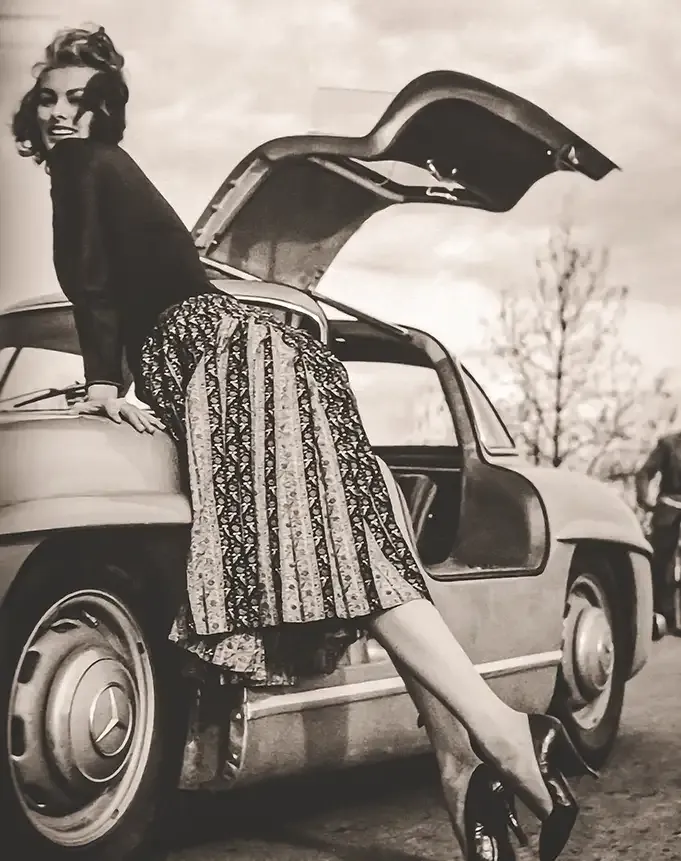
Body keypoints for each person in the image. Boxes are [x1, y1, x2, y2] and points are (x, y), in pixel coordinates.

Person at [12, 25, 594, 861]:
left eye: (79, 100)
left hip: (226, 362)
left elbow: (93, 286)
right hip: (264, 355)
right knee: (367, 548)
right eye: (49, 100)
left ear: (104, 111)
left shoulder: (82, 166)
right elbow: (120, 286)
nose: (61, 114)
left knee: (346, 559)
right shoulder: (110, 170)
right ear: (32, 108)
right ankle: (462, 756)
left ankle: (503, 732)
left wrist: (105, 385)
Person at [636, 429, 681, 635]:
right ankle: (662, 620)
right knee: (662, 566)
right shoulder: (669, 444)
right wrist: (645, 500)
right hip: (669, 509)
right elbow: (645, 473)